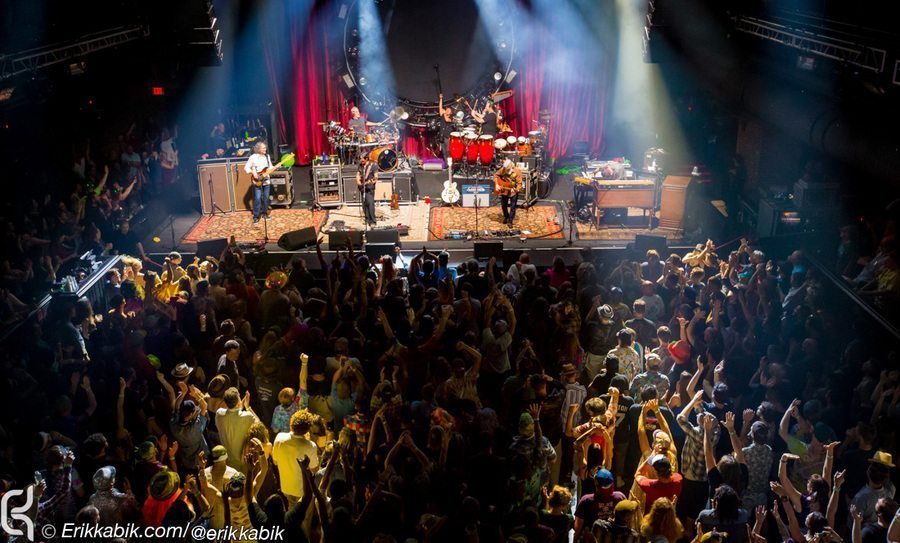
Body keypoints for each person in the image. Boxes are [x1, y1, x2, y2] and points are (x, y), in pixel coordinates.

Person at [271, 409, 320, 505]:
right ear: (307, 430)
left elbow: (275, 462)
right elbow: (314, 469)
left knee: (291, 510)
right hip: (303, 491)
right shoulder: (310, 446)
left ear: (291, 424)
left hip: (286, 488)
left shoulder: (279, 438)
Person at [574, 469, 627, 542]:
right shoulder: (620, 497)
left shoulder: (586, 500)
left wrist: (575, 539)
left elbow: (578, 526)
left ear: (596, 483)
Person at [243, 140, 272, 224]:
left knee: (266, 198)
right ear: (258, 149)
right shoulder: (253, 157)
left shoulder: (267, 156)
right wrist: (253, 173)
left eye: (265, 148)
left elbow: (270, 167)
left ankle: (265, 213)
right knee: (258, 198)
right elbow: (246, 167)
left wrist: (273, 168)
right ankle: (256, 216)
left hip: (266, 180)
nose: (265, 149)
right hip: (257, 181)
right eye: (263, 148)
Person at [494, 159, 523, 226]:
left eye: (507, 168)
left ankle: (510, 220)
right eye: (505, 168)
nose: (506, 170)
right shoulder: (503, 169)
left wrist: (516, 189)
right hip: (504, 189)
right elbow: (496, 175)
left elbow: (519, 183)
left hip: (513, 191)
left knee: (513, 207)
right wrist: (497, 184)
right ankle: (506, 216)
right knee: (504, 205)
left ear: (510, 166)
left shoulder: (517, 171)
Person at [357, 154, 377, 226]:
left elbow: (376, 177)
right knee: (364, 204)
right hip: (363, 188)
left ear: (366, 158)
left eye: (362, 159)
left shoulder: (373, 166)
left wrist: (372, 182)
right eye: (360, 159)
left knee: (370, 204)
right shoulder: (360, 166)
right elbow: (357, 175)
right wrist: (359, 184)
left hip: (369, 188)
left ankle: (373, 221)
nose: (361, 160)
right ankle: (367, 219)